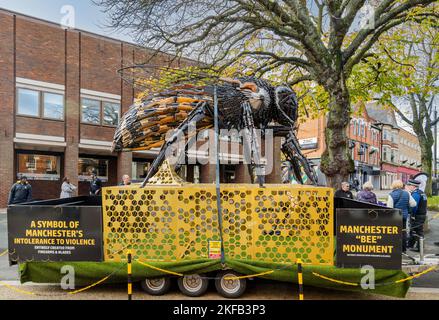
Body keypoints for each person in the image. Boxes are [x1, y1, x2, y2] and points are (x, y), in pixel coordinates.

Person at [387, 180, 416, 253]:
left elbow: (389, 208)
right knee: (403, 232)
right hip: (404, 216)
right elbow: (413, 204)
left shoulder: (391, 195)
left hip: (395, 217)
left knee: (395, 233)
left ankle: (396, 249)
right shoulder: (407, 193)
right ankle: (403, 249)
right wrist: (406, 206)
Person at [406, 179, 427, 252]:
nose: (408, 187)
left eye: (409, 185)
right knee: (418, 230)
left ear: (413, 186)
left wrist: (412, 214)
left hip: (417, 215)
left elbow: (414, 206)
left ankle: (418, 248)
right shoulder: (422, 193)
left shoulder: (416, 194)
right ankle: (414, 246)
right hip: (422, 214)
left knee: (416, 231)